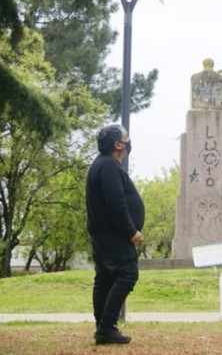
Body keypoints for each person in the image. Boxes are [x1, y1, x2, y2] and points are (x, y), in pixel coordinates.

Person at [86, 124, 144, 345]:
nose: (129, 142)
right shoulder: (108, 166)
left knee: (105, 278)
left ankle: (103, 326)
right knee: (128, 274)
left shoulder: (100, 165)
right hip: (114, 235)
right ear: (118, 144)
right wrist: (131, 231)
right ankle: (107, 326)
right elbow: (115, 202)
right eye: (126, 139)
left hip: (104, 234)